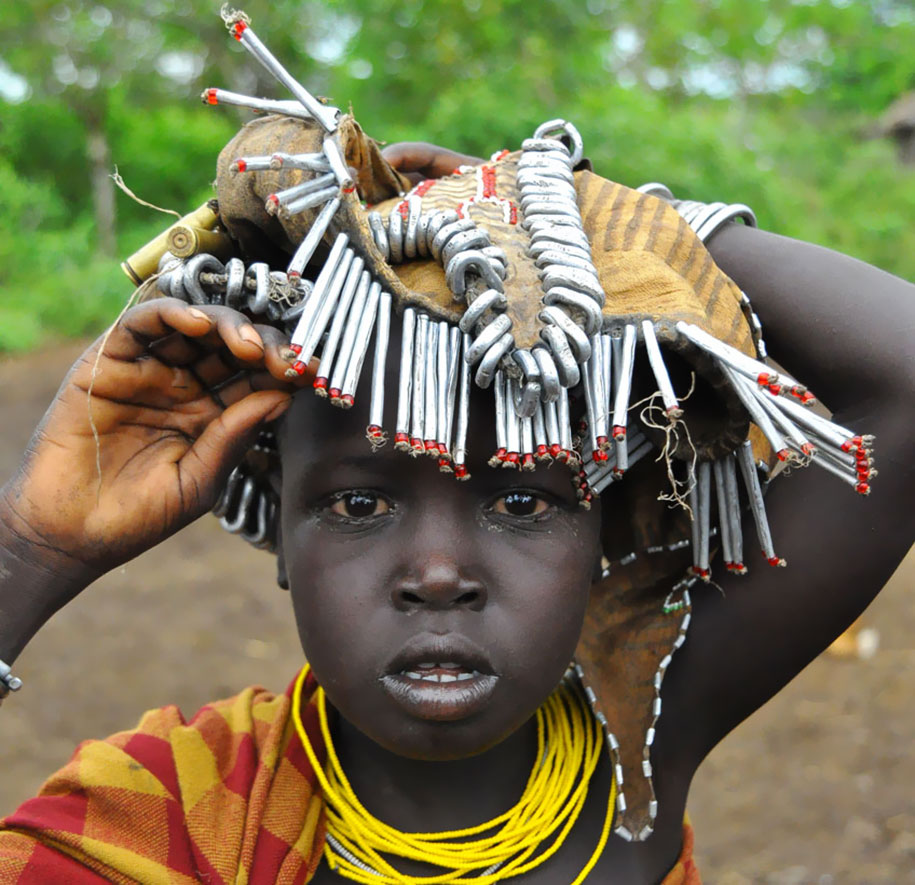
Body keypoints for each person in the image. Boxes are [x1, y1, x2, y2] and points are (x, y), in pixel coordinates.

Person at [0, 108, 912, 885]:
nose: (438, 574)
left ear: (602, 529)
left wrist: (580, 214)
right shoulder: (165, 819)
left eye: (522, 504)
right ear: (282, 527)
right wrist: (31, 548)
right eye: (359, 505)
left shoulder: (632, 752)